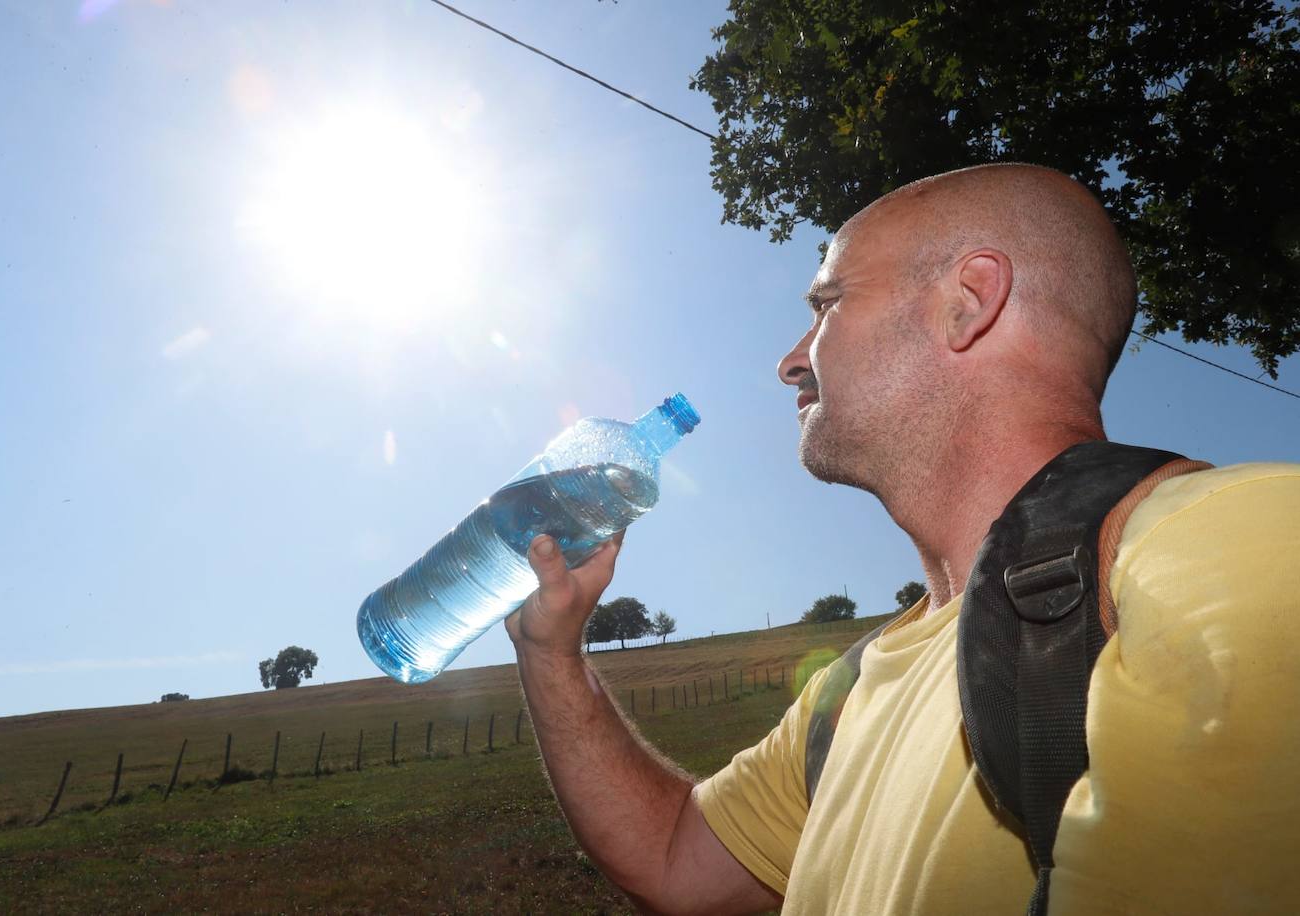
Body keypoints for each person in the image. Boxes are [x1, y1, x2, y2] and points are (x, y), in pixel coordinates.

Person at [504, 163, 1300, 914]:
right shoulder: (841, 698)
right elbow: (674, 862)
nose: (790, 360)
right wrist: (551, 651)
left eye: (828, 302)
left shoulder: (1236, 548)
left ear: (970, 299)